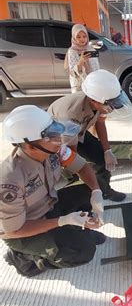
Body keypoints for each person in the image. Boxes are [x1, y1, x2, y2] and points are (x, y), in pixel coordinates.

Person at [0, 105, 105, 277]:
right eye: (50, 136)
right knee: (83, 252)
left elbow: (83, 167)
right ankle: (24, 258)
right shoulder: (9, 181)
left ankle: (78, 231)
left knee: (95, 185)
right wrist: (63, 221)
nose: (58, 138)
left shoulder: (53, 150)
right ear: (30, 146)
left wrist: (96, 193)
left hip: (48, 204)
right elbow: (14, 230)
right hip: (24, 229)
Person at [48, 70, 132, 202]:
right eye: (111, 104)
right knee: (73, 167)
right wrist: (82, 170)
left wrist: (107, 150)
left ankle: (105, 191)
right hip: (57, 138)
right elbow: (71, 150)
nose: (114, 107)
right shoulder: (70, 115)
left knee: (101, 158)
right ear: (94, 101)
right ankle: (85, 191)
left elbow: (100, 122)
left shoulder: (101, 101)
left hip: (78, 130)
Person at [64, 24, 100, 93]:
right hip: (79, 86)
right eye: (78, 37)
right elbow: (73, 73)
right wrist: (81, 61)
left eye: (84, 36)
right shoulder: (72, 51)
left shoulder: (91, 49)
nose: (82, 39)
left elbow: (96, 68)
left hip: (92, 84)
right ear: (74, 37)